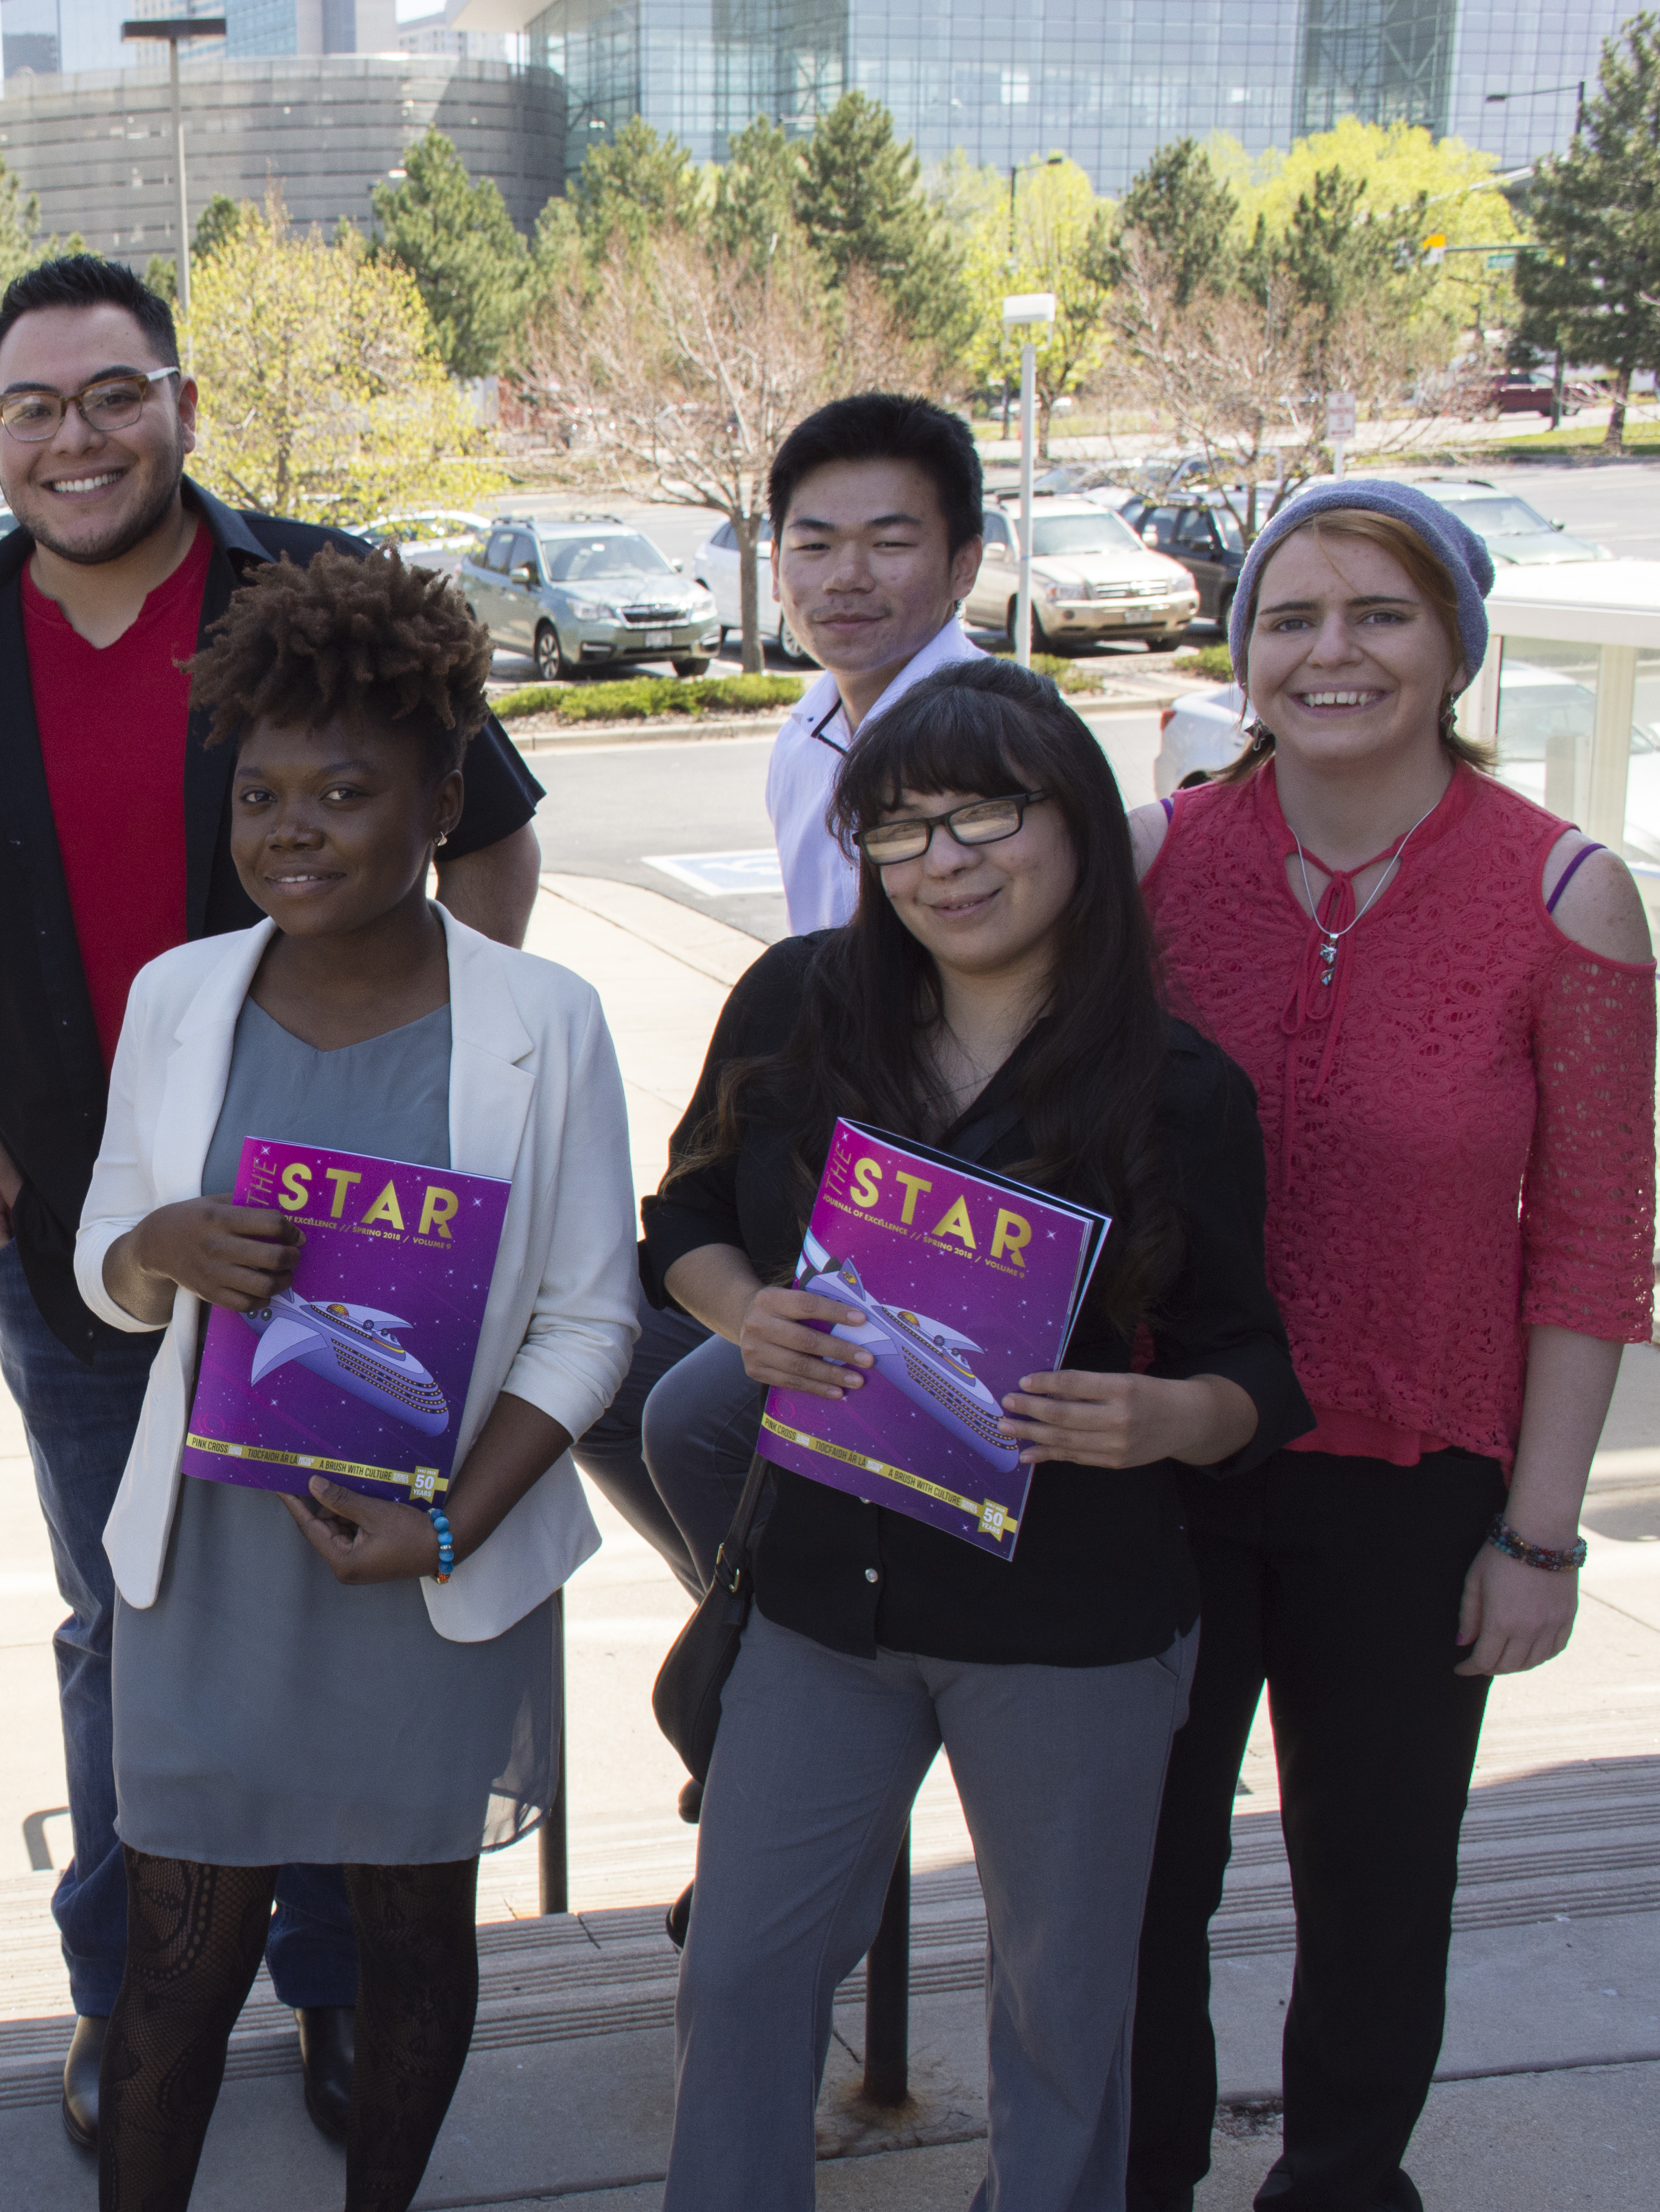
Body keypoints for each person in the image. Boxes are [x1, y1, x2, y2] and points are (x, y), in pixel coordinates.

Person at [0, 251, 547, 2151]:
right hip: (82, 1243)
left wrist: (413, 1124)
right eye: (33, 405)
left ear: (179, 403)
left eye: (112, 394)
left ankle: (335, 1988)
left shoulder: (314, 600)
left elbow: (490, 849)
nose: (74, 437)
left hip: (337, 1236)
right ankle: (133, 1988)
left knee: (330, 1602)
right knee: (128, 1613)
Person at [647, 659, 1310, 2212]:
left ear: (1076, 823)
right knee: (741, 1976)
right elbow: (678, 1211)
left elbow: (1258, 1377)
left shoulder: (1176, 1088)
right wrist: (742, 1309)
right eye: (898, 828)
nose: (944, 859)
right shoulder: (800, 1007)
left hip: (1067, 1628)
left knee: (1063, 2019)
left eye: (985, 814)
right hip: (825, 1600)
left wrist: (1162, 1418)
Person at [72, 549, 637, 2212]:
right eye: (261, 794)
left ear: (446, 798)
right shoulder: (182, 998)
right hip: (216, 1560)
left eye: (345, 790)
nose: (294, 828)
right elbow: (106, 1268)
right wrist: (162, 1244)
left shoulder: (547, 1021)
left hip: (425, 1563)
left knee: (409, 1942)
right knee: (177, 1964)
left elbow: (590, 1324)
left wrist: (453, 1529)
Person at [1125, 480, 1654, 2212]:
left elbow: (1587, 1247)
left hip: (1417, 1482)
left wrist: (1543, 1532)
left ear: (1452, 653)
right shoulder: (1153, 862)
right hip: (1167, 1467)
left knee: (1376, 1883)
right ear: (1244, 651)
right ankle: (1128, 2175)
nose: (1330, 651)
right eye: (1291, 617)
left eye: (1380, 615)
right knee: (1137, 1876)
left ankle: (1342, 2184)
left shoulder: (1566, 897)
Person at [577, 392, 994, 1603]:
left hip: (949, 1218)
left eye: (892, 540)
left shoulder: (988, 741)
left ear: (965, 563)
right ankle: (761, 1629)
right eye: (815, 543)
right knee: (594, 1352)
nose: (846, 576)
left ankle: (783, 1643)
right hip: (828, 1175)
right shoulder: (811, 724)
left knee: (695, 1412)